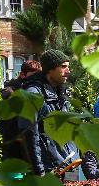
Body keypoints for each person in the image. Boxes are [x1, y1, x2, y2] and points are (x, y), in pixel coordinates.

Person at [21, 49, 80, 177]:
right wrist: (39, 171)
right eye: (63, 67)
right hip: (48, 170)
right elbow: (30, 135)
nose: (68, 71)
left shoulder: (60, 94)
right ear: (50, 69)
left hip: (66, 166)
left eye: (68, 67)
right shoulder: (33, 94)